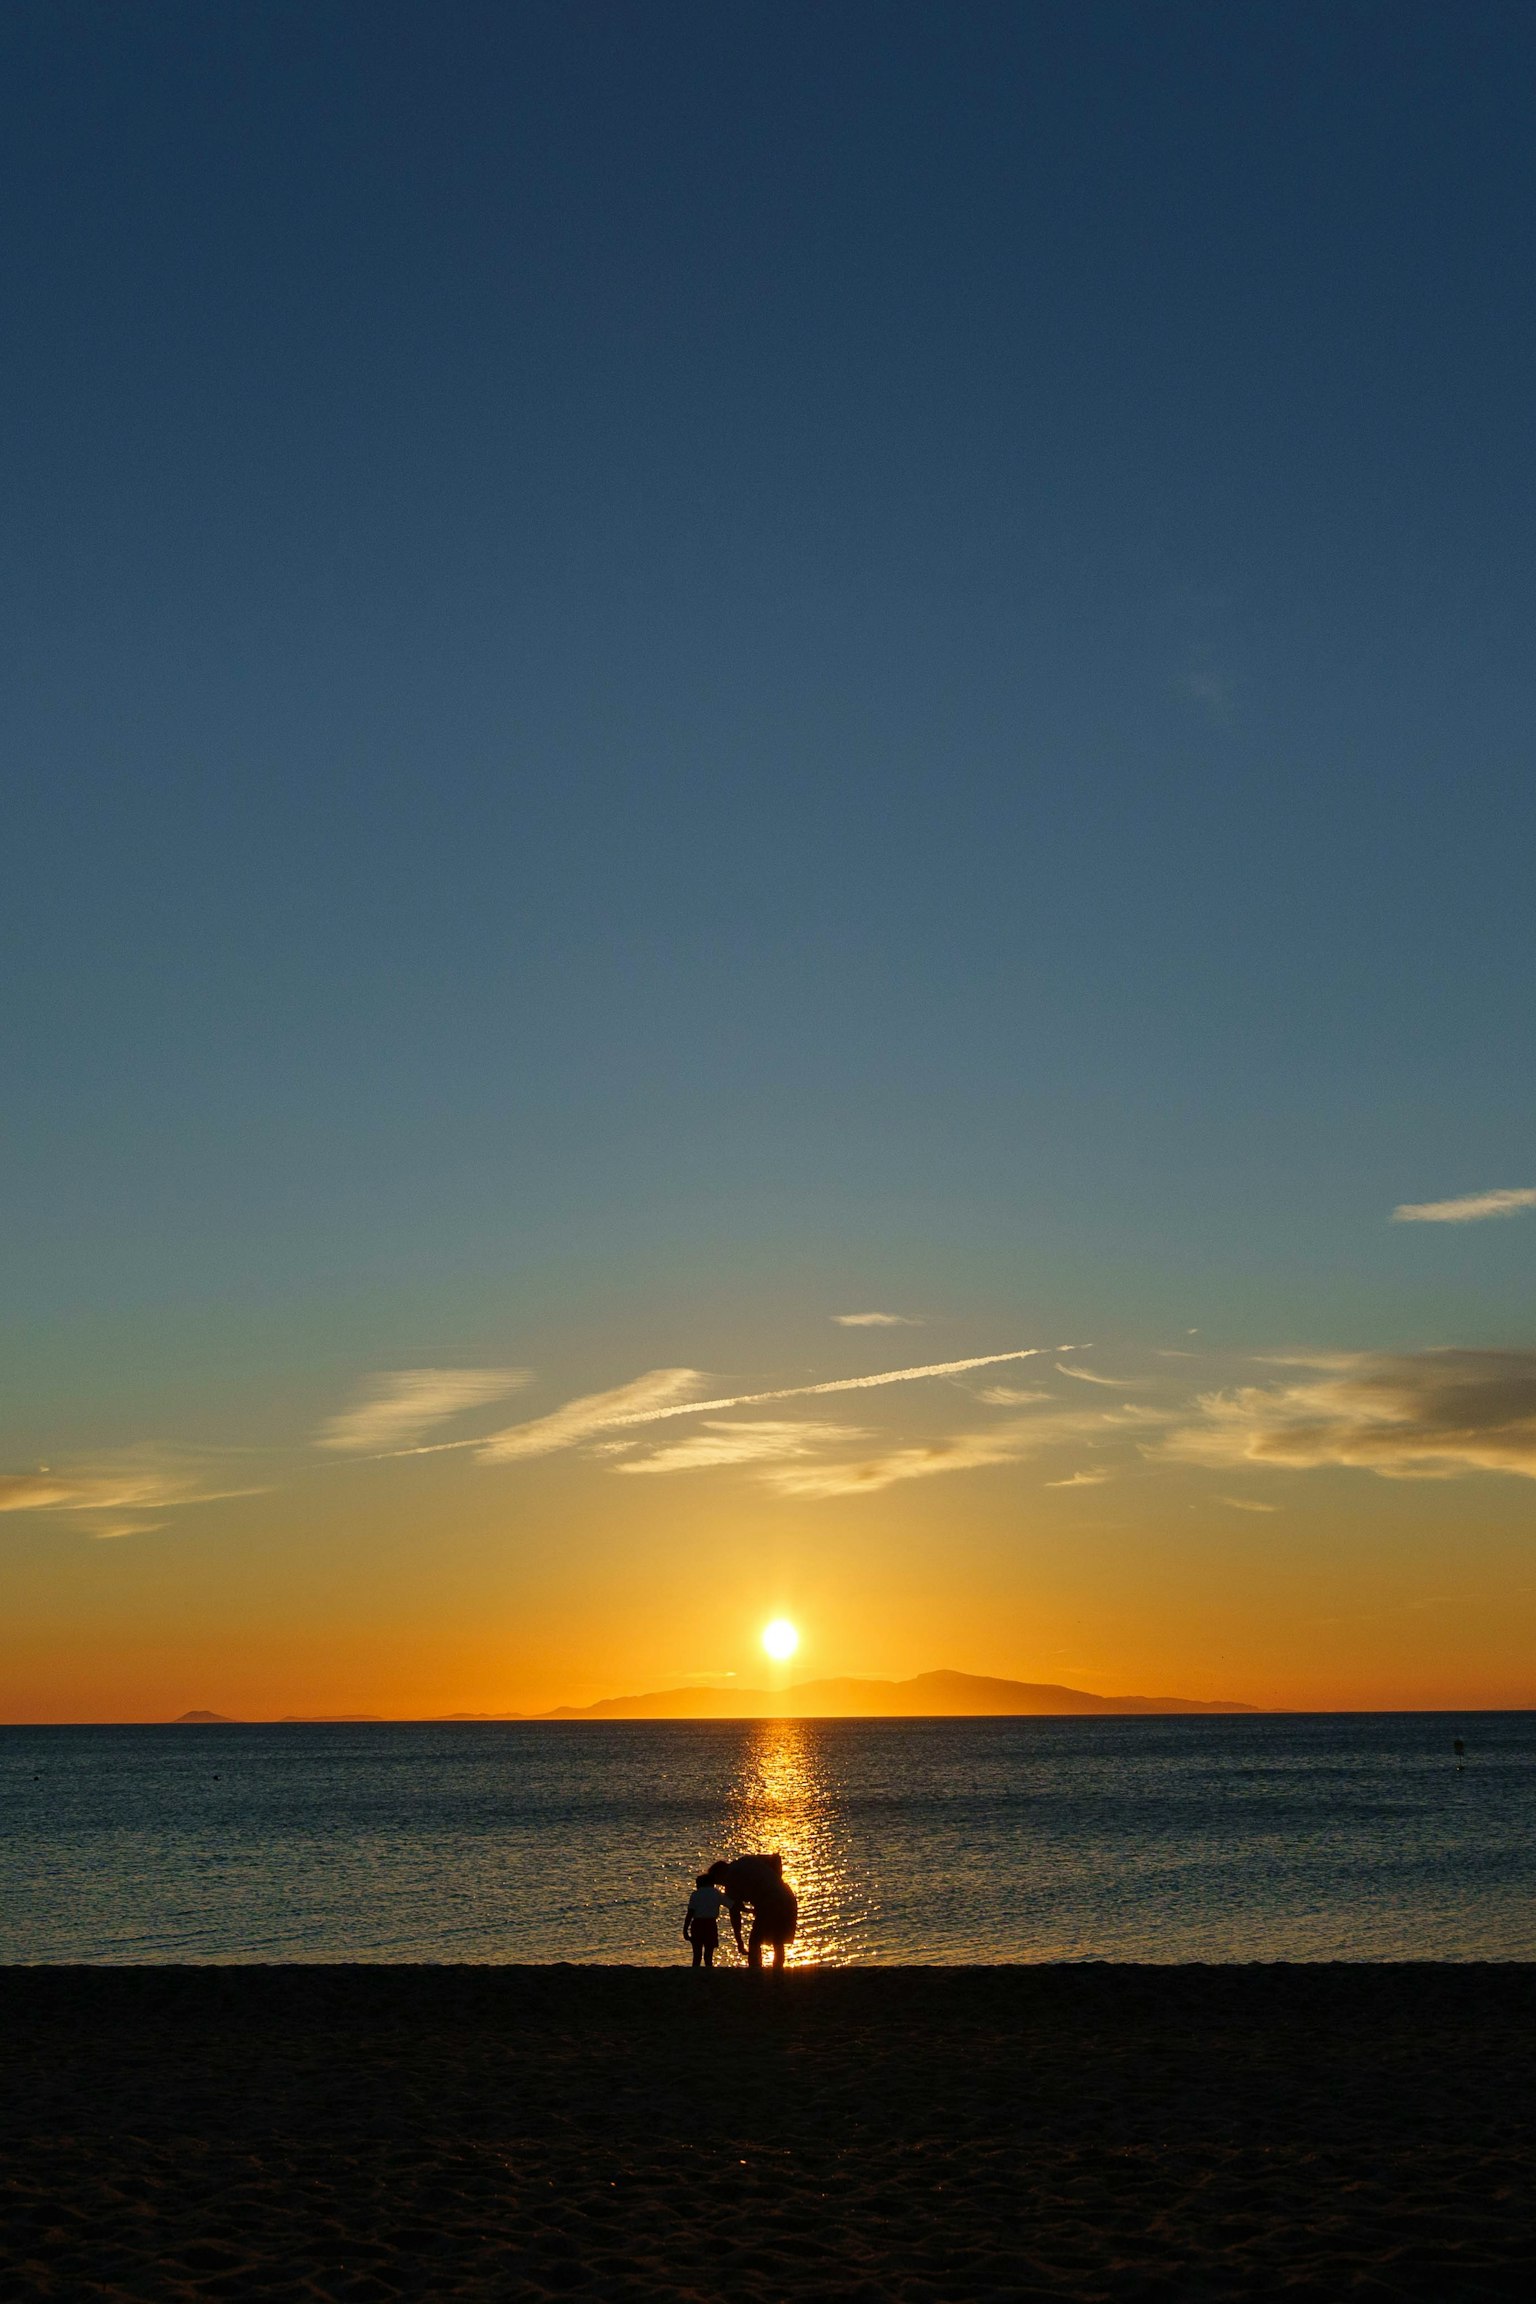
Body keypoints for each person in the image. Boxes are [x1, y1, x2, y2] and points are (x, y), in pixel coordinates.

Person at [707, 1851, 798, 1969]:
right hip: (787, 1897)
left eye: (719, 1882)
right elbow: (776, 1858)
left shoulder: (730, 1878)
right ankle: (778, 1971)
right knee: (778, 1941)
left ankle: (756, 1970)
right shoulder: (747, 1860)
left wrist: (739, 1941)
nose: (722, 1885)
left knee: (755, 1941)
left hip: (770, 1901)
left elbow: (735, 1913)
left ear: (720, 1873)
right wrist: (776, 1881)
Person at [683, 1871, 727, 1967]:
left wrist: (685, 1929)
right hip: (710, 1924)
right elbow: (730, 1904)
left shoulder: (695, 1894)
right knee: (708, 1955)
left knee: (697, 1955)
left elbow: (690, 1913)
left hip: (697, 1924)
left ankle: (695, 1972)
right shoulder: (716, 1893)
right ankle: (708, 1971)